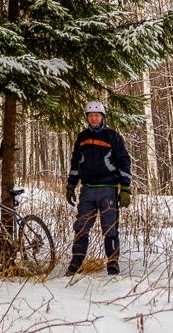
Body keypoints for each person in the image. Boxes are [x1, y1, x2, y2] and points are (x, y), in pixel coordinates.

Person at [65, 101, 132, 277]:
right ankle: (75, 264)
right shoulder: (82, 137)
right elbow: (76, 162)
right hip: (87, 189)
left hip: (107, 188)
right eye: (91, 116)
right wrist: (71, 184)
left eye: (97, 115)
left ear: (103, 117)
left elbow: (124, 161)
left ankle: (112, 265)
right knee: (81, 226)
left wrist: (125, 188)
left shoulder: (113, 137)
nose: (94, 118)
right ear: (87, 117)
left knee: (110, 228)